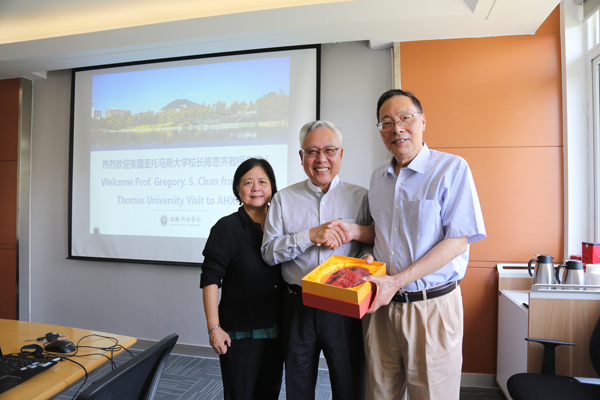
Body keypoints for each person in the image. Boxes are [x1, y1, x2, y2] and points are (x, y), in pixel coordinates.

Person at [331, 89, 486, 400]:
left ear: (423, 121)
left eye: (405, 118)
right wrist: (355, 232)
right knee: (379, 394)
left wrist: (397, 281)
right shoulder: (378, 178)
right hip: (381, 308)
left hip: (431, 308)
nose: (396, 128)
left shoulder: (451, 169)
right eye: (386, 122)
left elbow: (458, 241)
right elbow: (386, 234)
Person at [261, 120, 371, 400]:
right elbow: (269, 253)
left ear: (341, 154)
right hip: (297, 304)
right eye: (312, 151)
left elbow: (370, 246)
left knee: (350, 385)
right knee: (298, 387)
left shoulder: (361, 197)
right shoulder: (283, 199)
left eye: (329, 150)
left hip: (344, 305)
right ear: (301, 157)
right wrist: (309, 236)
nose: (321, 159)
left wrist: (364, 260)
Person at [200, 158, 284, 400]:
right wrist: (214, 328)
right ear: (238, 189)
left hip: (277, 329)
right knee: (241, 394)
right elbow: (210, 279)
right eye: (248, 182)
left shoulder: (282, 225)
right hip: (240, 333)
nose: (256, 188)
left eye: (262, 182)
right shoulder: (225, 228)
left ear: (272, 187)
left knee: (269, 393)